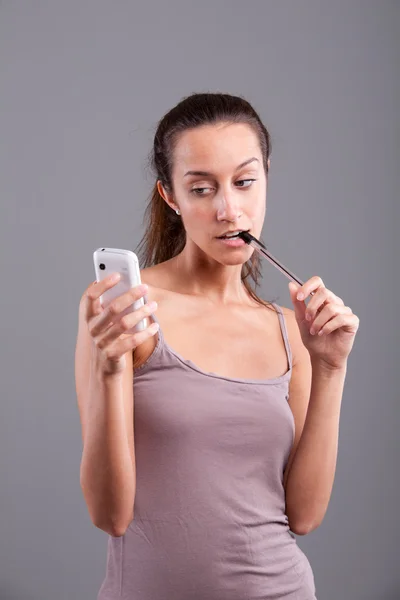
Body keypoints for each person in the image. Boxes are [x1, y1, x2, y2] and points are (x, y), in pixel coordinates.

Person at [75, 92, 359, 600]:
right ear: (170, 197)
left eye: (245, 182)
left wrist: (331, 368)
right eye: (202, 189)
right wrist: (112, 368)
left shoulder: (293, 330)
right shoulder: (125, 311)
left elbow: (306, 515)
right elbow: (110, 515)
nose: (229, 209)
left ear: (267, 178)